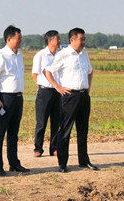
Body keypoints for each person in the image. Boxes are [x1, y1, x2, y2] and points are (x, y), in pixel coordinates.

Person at [44, 27, 98, 172]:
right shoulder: (63, 55)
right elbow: (47, 71)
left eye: (84, 39)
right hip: (69, 96)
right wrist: (57, 87)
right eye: (81, 39)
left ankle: (84, 160)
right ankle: (62, 163)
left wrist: (88, 87)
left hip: (84, 96)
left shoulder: (84, 54)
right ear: (72, 40)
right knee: (65, 130)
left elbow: (90, 71)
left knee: (83, 130)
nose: (84, 42)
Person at [0, 26, 27, 176]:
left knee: (13, 133)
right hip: (5, 99)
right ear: (9, 39)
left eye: (21, 38)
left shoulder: (20, 55)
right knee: (0, 133)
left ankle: (14, 163)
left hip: (18, 98)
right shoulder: (0, 56)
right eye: (18, 38)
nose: (20, 41)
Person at [32, 30, 61, 158]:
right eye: (57, 39)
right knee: (41, 122)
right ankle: (38, 148)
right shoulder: (40, 55)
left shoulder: (60, 55)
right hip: (45, 91)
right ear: (50, 41)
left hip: (58, 91)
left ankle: (54, 148)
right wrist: (41, 87)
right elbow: (34, 74)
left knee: (56, 122)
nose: (59, 41)